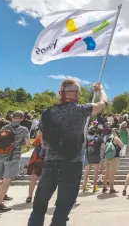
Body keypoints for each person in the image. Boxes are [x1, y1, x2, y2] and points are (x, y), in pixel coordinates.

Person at [27, 80, 108, 226]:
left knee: (38, 208)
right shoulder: (80, 110)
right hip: (72, 164)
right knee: (62, 211)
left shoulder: (47, 113)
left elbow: (43, 142)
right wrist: (100, 89)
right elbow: (104, 103)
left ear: (60, 93)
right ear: (76, 94)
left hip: (50, 164)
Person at [0, 111, 31, 214]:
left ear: (12, 117)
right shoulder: (23, 129)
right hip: (12, 158)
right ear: (22, 118)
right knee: (6, 181)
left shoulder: (4, 128)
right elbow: (28, 143)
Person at [83, 127, 105, 193]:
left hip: (88, 156)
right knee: (95, 172)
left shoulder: (86, 138)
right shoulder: (99, 138)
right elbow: (103, 148)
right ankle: (94, 188)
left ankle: (84, 186)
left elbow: (84, 146)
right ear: (95, 133)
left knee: (86, 172)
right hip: (96, 156)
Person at [26, 129, 46, 203]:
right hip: (46, 160)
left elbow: (32, 144)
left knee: (34, 178)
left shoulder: (39, 136)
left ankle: (30, 196)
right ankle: (40, 197)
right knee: (44, 179)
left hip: (38, 160)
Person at [103, 129, 123, 194]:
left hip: (107, 157)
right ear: (117, 133)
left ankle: (104, 187)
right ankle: (111, 188)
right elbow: (122, 145)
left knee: (107, 173)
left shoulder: (107, 138)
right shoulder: (116, 138)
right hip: (114, 158)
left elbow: (104, 148)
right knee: (111, 174)